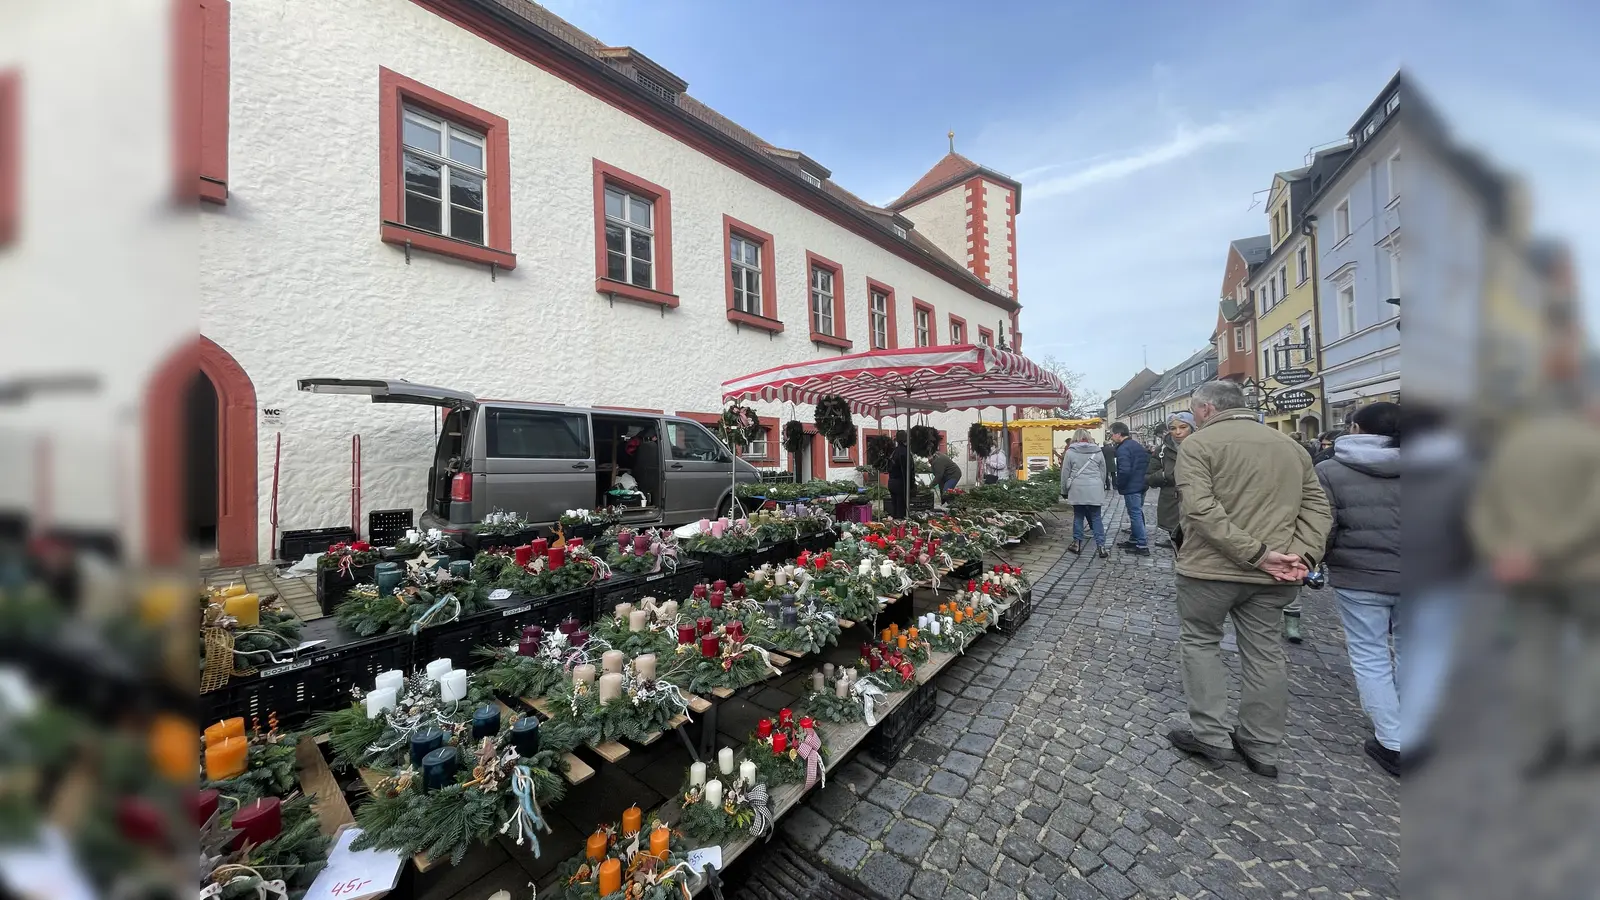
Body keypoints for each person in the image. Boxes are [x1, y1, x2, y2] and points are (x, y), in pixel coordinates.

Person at [1170, 380, 1332, 778]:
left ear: (1206, 410)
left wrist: (1256, 554)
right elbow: (1318, 509)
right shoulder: (1291, 447)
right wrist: (1303, 555)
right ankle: (1262, 745)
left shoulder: (1198, 445)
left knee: (1201, 643)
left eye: (1193, 411)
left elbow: (1200, 511)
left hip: (1211, 569)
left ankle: (1211, 734)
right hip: (1276, 575)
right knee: (1265, 652)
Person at [1316, 401, 1402, 776]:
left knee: (1371, 656)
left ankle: (1393, 742)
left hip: (1360, 574)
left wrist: (1317, 560)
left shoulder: (1331, 470)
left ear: (1354, 428)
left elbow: (1326, 526)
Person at [1402, 405, 1475, 771]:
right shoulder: (1464, 469)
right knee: (1428, 651)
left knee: (1376, 646)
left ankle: (1392, 725)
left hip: (1378, 570)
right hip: (1442, 572)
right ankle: (1409, 735)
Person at [1144, 412, 1194, 551]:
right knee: (1179, 549)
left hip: (1199, 504)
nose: (1178, 432)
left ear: (1192, 427)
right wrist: (1166, 475)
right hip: (1172, 505)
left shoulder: (1204, 447)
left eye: (1183, 427)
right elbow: (1149, 477)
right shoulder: (1162, 451)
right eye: (1173, 428)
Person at [1059, 429, 1109, 558]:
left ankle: (1077, 544)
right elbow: (1103, 471)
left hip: (1077, 488)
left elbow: (1065, 473)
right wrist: (1101, 486)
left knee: (1078, 516)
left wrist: (1064, 490)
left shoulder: (1070, 452)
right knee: (1096, 517)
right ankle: (1101, 546)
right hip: (1095, 487)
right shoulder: (1098, 451)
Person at [1109, 422, 1151, 555]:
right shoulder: (1136, 445)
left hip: (1132, 486)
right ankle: (1134, 539)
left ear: (1118, 434)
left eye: (1112, 434)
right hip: (1141, 483)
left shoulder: (1123, 449)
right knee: (1138, 512)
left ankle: (1142, 545)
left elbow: (1124, 470)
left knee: (1135, 514)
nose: (1111, 437)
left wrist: (1120, 484)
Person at [929, 437, 963, 509]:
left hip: (953, 474)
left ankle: (953, 507)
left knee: (946, 491)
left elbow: (939, 476)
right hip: (945, 476)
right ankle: (944, 507)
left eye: (929, 456)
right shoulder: (935, 458)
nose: (928, 458)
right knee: (942, 491)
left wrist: (930, 486)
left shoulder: (938, 460)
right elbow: (937, 473)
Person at [886, 431, 909, 519]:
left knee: (895, 506)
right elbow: (907, 469)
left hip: (891, 481)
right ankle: (900, 528)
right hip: (900, 482)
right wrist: (911, 483)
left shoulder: (894, 451)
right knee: (900, 508)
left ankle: (894, 527)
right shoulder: (904, 452)